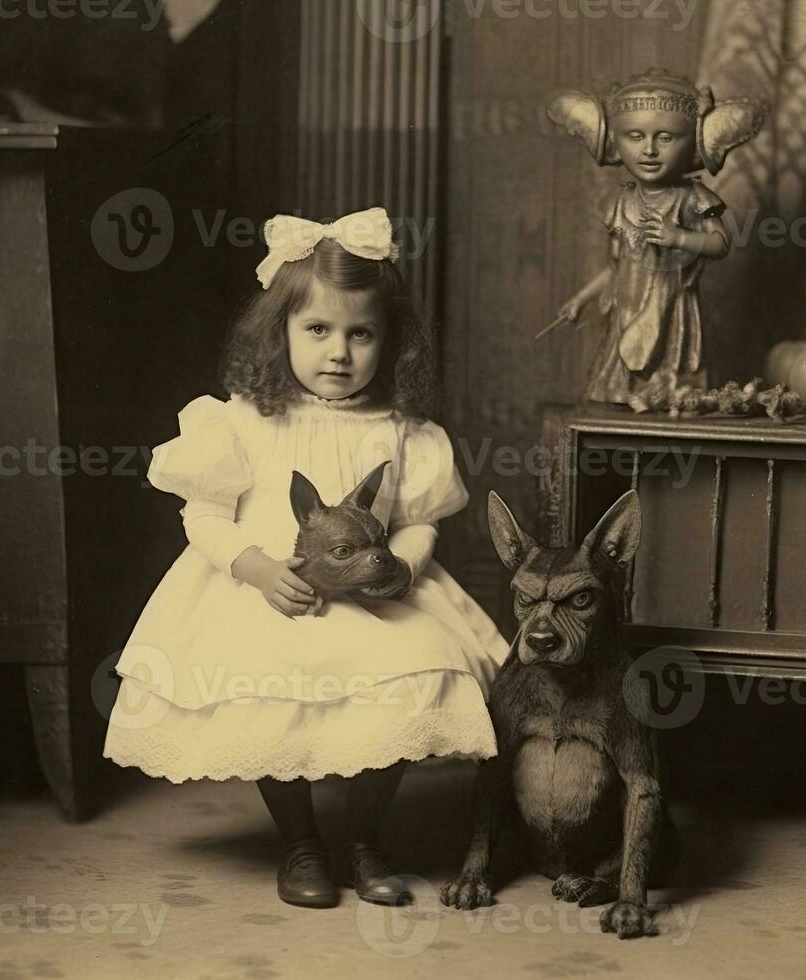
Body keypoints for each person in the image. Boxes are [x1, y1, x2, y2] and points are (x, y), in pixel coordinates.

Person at [103, 207, 510, 910]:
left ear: (390, 342)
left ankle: (363, 839)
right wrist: (257, 569)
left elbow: (417, 524)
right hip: (270, 592)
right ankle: (299, 842)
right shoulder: (241, 420)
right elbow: (201, 514)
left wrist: (404, 568)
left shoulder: (400, 429)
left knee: (408, 679)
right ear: (280, 331)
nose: (339, 352)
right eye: (317, 330)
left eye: (361, 334)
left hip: (375, 593)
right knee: (274, 696)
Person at [549, 68, 766, 411]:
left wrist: (678, 236)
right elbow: (617, 268)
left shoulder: (695, 198)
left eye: (666, 138)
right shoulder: (621, 201)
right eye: (635, 136)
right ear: (615, 142)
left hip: (672, 309)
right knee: (619, 386)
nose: (649, 150)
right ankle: (626, 395)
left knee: (672, 389)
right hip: (626, 312)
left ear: (693, 141)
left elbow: (720, 244)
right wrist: (581, 299)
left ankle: (671, 395)